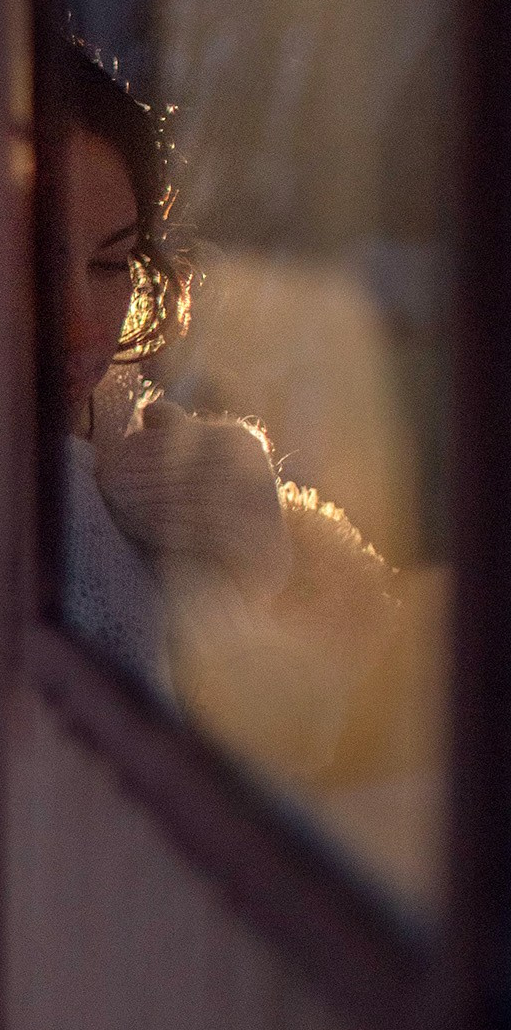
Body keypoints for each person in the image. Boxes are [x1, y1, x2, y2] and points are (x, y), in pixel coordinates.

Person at [53, 42, 405, 792]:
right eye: (26, 264)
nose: (86, 326)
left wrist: (275, 552)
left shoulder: (123, 429)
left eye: (111, 265)